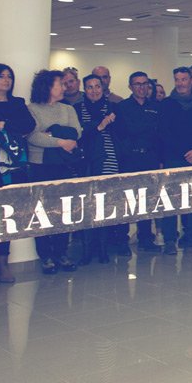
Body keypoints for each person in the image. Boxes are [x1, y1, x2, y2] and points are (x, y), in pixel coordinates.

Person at [0, 64, 36, 284]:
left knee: (7, 214)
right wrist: (2, 128)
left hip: (13, 166)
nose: (6, 80)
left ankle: (2, 261)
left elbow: (29, 124)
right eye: (1, 76)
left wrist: (4, 124)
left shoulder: (17, 103)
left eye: (9, 77)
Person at [27, 69, 82, 275]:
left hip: (64, 165)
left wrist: (51, 132)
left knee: (63, 212)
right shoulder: (31, 109)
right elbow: (33, 137)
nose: (64, 87)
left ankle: (61, 253)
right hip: (40, 166)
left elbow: (76, 132)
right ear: (48, 86)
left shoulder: (67, 109)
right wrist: (61, 141)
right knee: (41, 213)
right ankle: (46, 256)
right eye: (60, 84)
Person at [158, 66, 192, 254]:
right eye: (177, 80)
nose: (180, 83)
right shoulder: (166, 104)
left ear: (191, 81)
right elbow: (165, 132)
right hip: (174, 158)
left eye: (183, 79)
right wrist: (184, 152)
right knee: (171, 201)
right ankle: (169, 240)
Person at [75, 74, 128, 263]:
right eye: (90, 87)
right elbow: (77, 134)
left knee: (105, 205)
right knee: (87, 206)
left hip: (109, 159)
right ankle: (87, 249)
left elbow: (123, 131)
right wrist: (98, 125)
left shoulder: (114, 107)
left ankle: (104, 248)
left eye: (97, 86)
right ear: (84, 89)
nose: (94, 91)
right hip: (86, 162)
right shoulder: (77, 109)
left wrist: (110, 125)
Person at [117, 71, 161, 252]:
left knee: (147, 200)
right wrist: (149, 125)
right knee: (127, 201)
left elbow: (159, 132)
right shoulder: (122, 107)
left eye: (144, 84)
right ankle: (122, 240)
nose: (141, 87)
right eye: (137, 84)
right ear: (130, 87)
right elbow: (128, 129)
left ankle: (145, 238)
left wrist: (143, 126)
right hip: (130, 158)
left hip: (150, 158)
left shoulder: (156, 106)